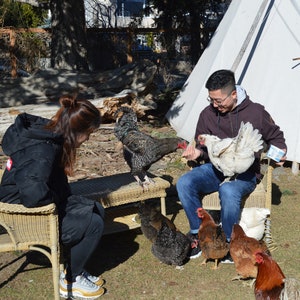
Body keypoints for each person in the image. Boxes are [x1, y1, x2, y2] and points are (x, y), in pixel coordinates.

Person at [0, 95, 105, 299]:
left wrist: (62, 198)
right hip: (24, 216)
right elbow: (32, 195)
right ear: (76, 131)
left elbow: (44, 184)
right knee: (92, 223)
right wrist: (57, 203)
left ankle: (74, 268)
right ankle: (70, 282)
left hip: (35, 204)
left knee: (96, 209)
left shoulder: (52, 137)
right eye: (88, 134)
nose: (88, 139)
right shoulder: (43, 149)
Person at [176, 69, 287, 260]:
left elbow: (277, 138)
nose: (215, 105)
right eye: (211, 100)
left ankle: (229, 241)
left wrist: (279, 152)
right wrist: (197, 152)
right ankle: (199, 234)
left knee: (228, 191)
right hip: (216, 169)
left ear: (234, 94)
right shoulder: (207, 114)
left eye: (219, 101)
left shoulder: (256, 112)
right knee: (184, 182)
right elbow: (202, 146)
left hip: (245, 173)